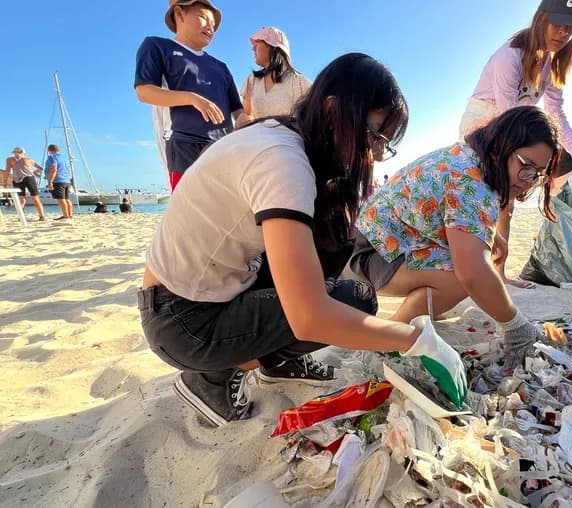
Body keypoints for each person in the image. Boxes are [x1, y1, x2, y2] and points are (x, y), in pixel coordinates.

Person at [138, 53, 467, 427]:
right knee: (352, 302)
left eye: (384, 145)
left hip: (203, 291)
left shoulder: (283, 138)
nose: (375, 154)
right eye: (374, 136)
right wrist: (416, 340)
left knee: (338, 241)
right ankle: (212, 378)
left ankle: (277, 360)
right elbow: (310, 316)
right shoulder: (282, 160)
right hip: (182, 320)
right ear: (332, 110)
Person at [350, 106, 553, 369]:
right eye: (525, 166)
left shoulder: (469, 157)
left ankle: (425, 307)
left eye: (537, 174)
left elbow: (448, 216)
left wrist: (489, 236)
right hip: (368, 255)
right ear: (503, 145)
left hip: (381, 244)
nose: (527, 180)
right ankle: (390, 338)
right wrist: (516, 326)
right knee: (462, 275)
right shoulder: (472, 180)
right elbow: (471, 272)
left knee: (473, 259)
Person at [459, 0, 572, 288]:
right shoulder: (509, 57)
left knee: (507, 205)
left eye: (571, 26)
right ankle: (474, 271)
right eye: (557, 22)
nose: (563, 32)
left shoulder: (553, 63)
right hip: (485, 127)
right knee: (489, 200)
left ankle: (498, 275)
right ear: (540, 18)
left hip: (517, 128)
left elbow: (555, 114)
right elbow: (505, 115)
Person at [134, 0, 248, 192]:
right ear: (179, 14)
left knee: (224, 208)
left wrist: (246, 121)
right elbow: (144, 92)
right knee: (189, 210)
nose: (210, 28)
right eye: (204, 18)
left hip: (223, 146)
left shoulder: (221, 67)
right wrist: (192, 98)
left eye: (214, 25)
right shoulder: (157, 46)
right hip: (182, 143)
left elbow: (237, 109)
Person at [239, 27, 311, 122]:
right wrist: (242, 119)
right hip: (258, 135)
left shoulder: (300, 83)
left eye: (258, 42)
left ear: (272, 46)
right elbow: (247, 114)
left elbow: (313, 120)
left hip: (288, 136)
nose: (253, 48)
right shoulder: (252, 80)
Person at [3, 147, 46, 221]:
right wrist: (5, 181)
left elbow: (41, 168)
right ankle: (24, 216)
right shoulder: (12, 159)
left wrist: (5, 181)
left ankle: (41, 216)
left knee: (32, 198)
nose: (17, 154)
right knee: (25, 199)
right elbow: (7, 171)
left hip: (25, 179)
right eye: (16, 152)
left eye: (18, 152)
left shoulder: (25, 159)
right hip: (21, 179)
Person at [45, 144, 74, 220]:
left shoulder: (52, 157)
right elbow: (68, 169)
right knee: (67, 199)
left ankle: (66, 216)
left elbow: (53, 169)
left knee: (61, 199)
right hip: (66, 180)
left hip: (58, 180)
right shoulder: (65, 158)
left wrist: (50, 181)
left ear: (49, 150)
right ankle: (69, 215)